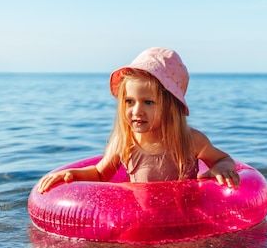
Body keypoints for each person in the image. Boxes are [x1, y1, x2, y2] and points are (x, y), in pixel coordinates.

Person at [37, 47, 240, 193]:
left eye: (149, 102)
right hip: (143, 221)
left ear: (171, 106)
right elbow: (100, 174)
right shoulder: (124, 142)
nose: (137, 111)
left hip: (184, 221)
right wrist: (72, 174)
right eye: (129, 101)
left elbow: (223, 159)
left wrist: (220, 168)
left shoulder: (190, 140)